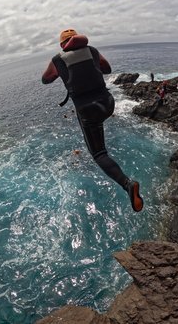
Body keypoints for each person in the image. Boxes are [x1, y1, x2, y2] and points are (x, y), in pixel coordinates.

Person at [41, 28, 143, 212]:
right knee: (98, 124)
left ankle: (128, 184)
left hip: (88, 110)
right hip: (107, 104)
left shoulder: (58, 59)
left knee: (99, 154)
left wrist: (62, 71)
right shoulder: (93, 51)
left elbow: (45, 79)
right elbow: (107, 68)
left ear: (63, 45)